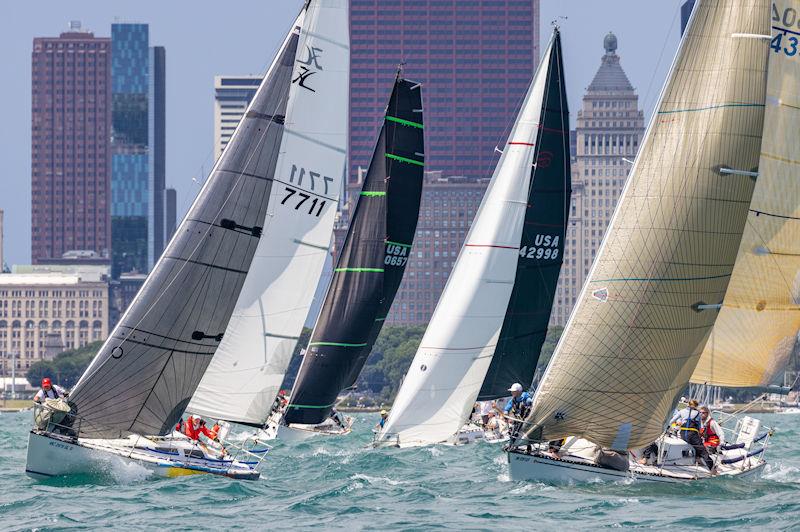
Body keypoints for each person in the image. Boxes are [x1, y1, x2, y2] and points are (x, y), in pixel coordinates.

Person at [669, 399, 713, 471]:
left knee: (691, 445)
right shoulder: (698, 413)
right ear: (695, 406)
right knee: (702, 449)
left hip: (683, 434)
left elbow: (671, 421)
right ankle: (712, 468)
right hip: (692, 434)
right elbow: (700, 427)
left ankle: (691, 459)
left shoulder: (681, 411)